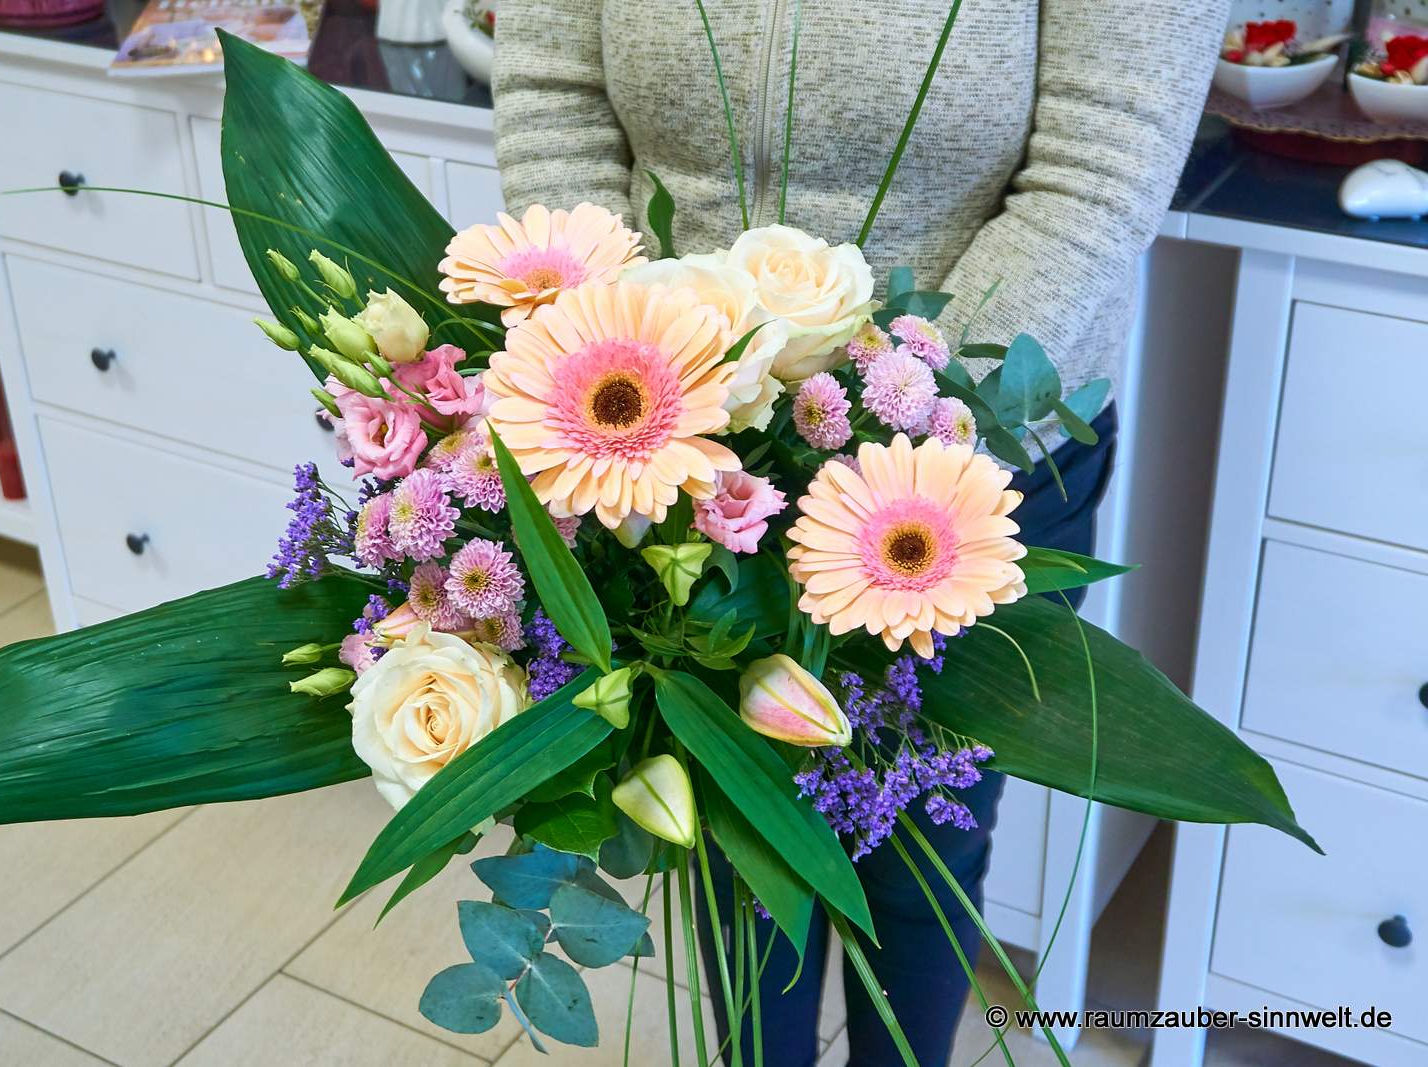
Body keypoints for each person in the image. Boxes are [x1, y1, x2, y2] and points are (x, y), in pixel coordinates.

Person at [491, 2, 1224, 1062]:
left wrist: (897, 435)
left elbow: (1098, 169)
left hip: (973, 447)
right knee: (739, 836)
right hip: (685, 444)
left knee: (921, 847)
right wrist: (631, 377)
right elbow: (552, 96)